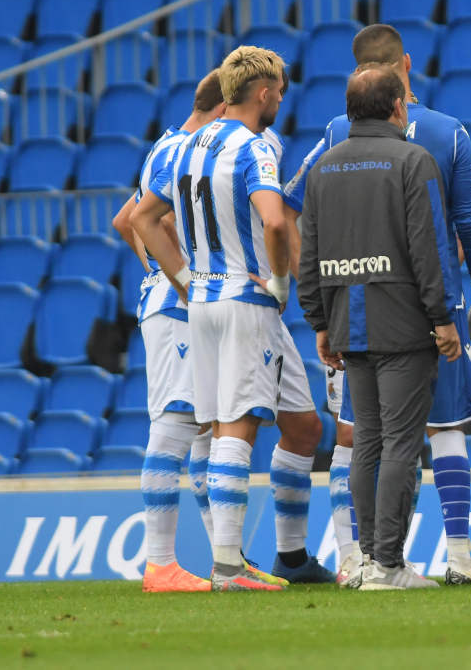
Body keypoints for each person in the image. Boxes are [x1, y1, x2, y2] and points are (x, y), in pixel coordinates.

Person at [289, 23, 471, 585]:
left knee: (360, 435)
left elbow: (295, 214)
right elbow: (461, 229)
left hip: (346, 311)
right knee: (444, 427)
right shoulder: (446, 134)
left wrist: (317, 312)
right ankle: (449, 555)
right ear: (405, 71)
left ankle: (354, 559)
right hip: (423, 307)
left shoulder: (332, 139)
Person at [130, 46, 294, 592]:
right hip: (245, 302)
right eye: (278, 91)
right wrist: (279, 281)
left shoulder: (183, 145)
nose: (279, 100)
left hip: (198, 304)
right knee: (235, 427)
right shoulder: (254, 148)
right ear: (264, 92)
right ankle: (228, 565)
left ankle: (225, 564)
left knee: (213, 426)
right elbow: (274, 222)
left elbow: (142, 218)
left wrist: (184, 278)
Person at [111, 70, 224, 593]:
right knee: (177, 422)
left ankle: (227, 559)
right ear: (223, 109)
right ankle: (159, 564)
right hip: (178, 306)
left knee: (201, 429)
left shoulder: (165, 144)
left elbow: (124, 219)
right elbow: (146, 223)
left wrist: (159, 269)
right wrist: (179, 280)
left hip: (170, 300)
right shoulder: (187, 153)